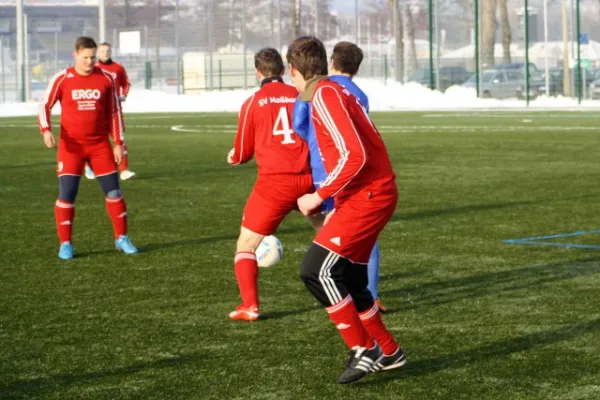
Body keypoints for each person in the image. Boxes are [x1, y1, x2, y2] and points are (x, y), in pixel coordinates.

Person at [286, 36, 405, 384]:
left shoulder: (324, 95)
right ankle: (389, 349)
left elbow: (355, 155)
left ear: (294, 70)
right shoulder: (334, 92)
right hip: (368, 193)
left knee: (315, 270)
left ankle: (364, 349)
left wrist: (318, 194)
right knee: (350, 278)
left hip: (369, 195)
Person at [293, 40, 387, 313]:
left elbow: (299, 123)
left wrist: (314, 140)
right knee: (362, 234)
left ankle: (336, 281)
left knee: (328, 227)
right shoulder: (359, 94)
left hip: (328, 170)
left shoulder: (317, 91)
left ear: (331, 62)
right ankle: (370, 293)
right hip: (357, 175)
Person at [227, 48, 313, 322]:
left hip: (273, 185)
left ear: (257, 72)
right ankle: (360, 295)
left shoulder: (254, 101)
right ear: (284, 70)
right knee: (336, 239)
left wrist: (233, 156)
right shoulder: (301, 96)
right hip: (308, 181)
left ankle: (250, 305)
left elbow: (242, 153)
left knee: (245, 246)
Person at [38, 36, 138, 259]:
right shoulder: (63, 78)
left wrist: (119, 143)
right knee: (67, 194)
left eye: (93, 57)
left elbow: (114, 113)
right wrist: (46, 130)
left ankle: (121, 238)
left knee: (114, 192)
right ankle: (66, 243)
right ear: (75, 55)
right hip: (71, 147)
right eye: (85, 57)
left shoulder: (106, 79)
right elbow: (44, 105)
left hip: (99, 146)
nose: (90, 62)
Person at [85, 41, 136, 181]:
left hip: (115, 110)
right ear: (98, 53)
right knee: (94, 139)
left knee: (120, 139)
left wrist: (124, 95)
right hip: (97, 110)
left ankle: (124, 170)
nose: (105, 54)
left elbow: (126, 83)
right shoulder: (93, 68)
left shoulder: (118, 68)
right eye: (102, 52)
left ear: (111, 52)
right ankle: (89, 167)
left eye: (107, 51)